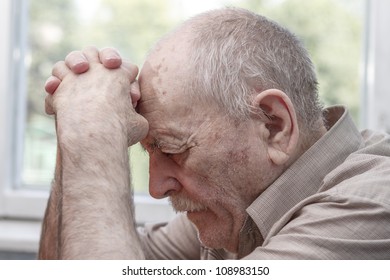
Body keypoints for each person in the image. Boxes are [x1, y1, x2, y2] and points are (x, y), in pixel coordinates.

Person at [39, 7, 390, 259]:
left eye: (173, 150)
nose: (157, 188)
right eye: (150, 151)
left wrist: (93, 132)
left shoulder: (371, 206)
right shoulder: (234, 205)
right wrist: (75, 120)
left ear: (273, 126)